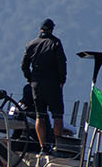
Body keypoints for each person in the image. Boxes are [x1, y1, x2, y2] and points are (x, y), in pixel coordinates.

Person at [21, 17, 68, 155]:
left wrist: (30, 79)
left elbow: (23, 65)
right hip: (53, 84)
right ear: (52, 29)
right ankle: (57, 146)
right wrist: (62, 80)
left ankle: (43, 147)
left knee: (40, 116)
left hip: (36, 85)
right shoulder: (55, 43)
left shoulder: (31, 44)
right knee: (57, 115)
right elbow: (62, 63)